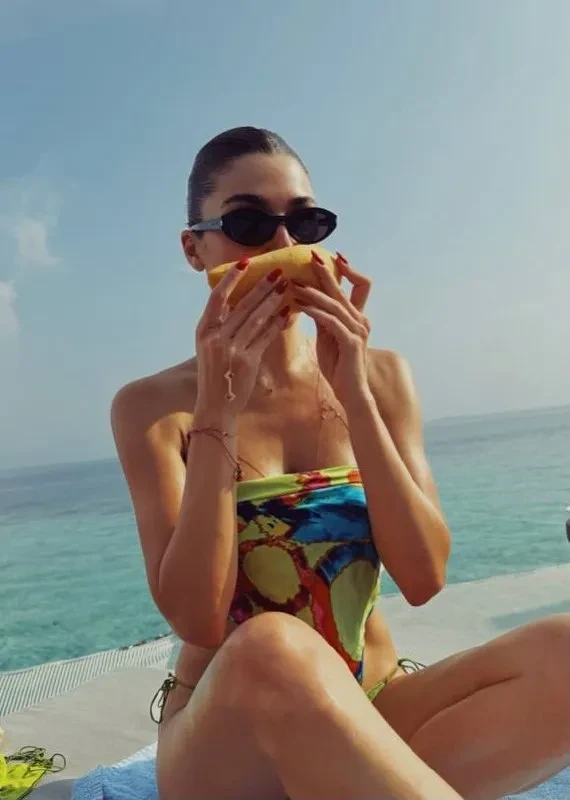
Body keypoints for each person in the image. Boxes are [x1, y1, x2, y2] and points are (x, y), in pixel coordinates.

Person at [111, 126, 570, 800]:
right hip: (229, 742)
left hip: (374, 703)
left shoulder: (379, 376)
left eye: (304, 223)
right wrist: (218, 410)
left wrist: (353, 392)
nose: (282, 245)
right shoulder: (153, 408)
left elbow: (424, 576)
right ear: (194, 248)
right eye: (248, 223)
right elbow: (199, 619)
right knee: (272, 646)